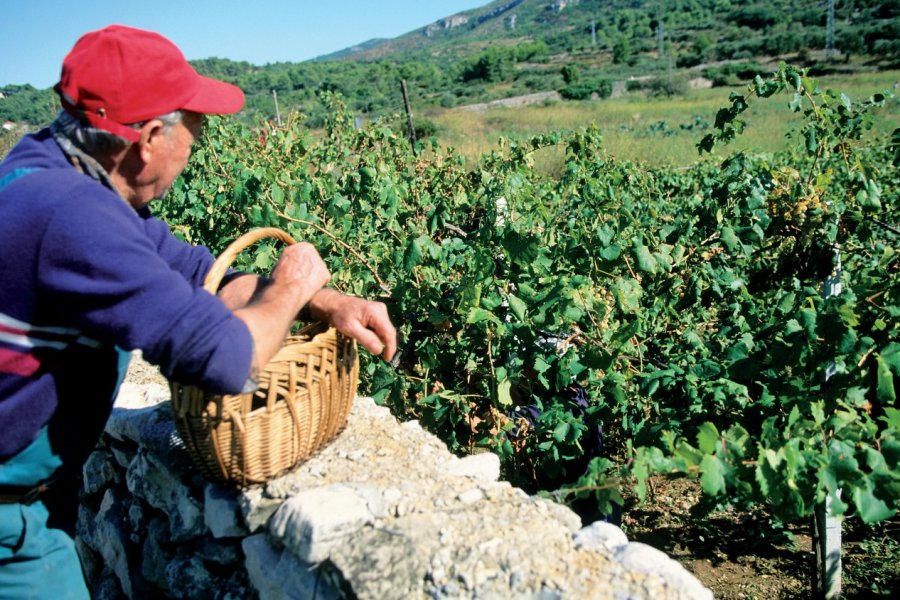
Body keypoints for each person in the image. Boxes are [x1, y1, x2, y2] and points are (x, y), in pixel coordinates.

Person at [0, 24, 396, 598]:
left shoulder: (48, 168)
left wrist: (323, 299)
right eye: (196, 130)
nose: (196, 146)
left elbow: (198, 277)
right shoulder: (74, 219)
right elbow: (225, 358)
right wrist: (290, 284)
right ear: (151, 138)